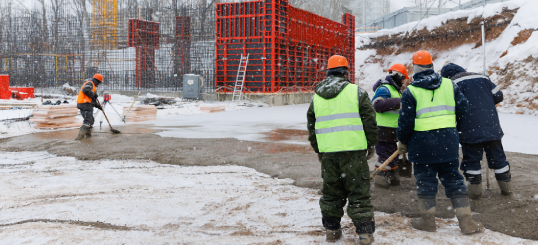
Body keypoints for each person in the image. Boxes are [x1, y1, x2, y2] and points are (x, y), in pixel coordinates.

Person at [397, 51, 483, 234]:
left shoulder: (411, 91)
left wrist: (402, 141)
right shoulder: (449, 85)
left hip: (421, 146)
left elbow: (405, 121)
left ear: (415, 67)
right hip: (448, 143)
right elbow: (464, 108)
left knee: (426, 182)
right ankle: (467, 222)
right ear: (432, 65)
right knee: (454, 180)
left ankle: (427, 221)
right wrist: (451, 126)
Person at [306, 55, 378, 244]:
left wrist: (319, 150)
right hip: (354, 153)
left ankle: (332, 231)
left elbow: (312, 127)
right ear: (346, 72)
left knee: (331, 193)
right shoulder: (357, 92)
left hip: (329, 154)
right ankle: (364, 234)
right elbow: (369, 122)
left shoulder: (316, 97)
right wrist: (370, 144)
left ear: (328, 72)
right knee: (359, 193)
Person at [441, 63, 511, 199]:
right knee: (499, 159)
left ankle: (475, 193)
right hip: (491, 127)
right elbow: (499, 96)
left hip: (469, 130)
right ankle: (507, 190)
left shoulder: (451, 84)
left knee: (472, 162)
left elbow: (450, 107)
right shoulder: (483, 78)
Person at [371, 63, 409, 189]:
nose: (403, 81)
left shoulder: (396, 91)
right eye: (402, 78)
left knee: (393, 156)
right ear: (397, 76)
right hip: (383, 130)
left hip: (392, 130)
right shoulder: (384, 88)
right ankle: (380, 180)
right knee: (385, 156)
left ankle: (393, 178)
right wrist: (399, 102)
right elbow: (377, 104)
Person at [75, 73, 104, 140]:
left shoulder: (93, 86)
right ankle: (79, 137)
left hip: (87, 104)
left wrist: (98, 106)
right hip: (84, 104)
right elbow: (86, 90)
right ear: (97, 80)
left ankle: (87, 136)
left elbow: (92, 99)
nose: (99, 84)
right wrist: (93, 95)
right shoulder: (90, 83)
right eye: (99, 82)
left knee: (91, 120)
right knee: (87, 121)